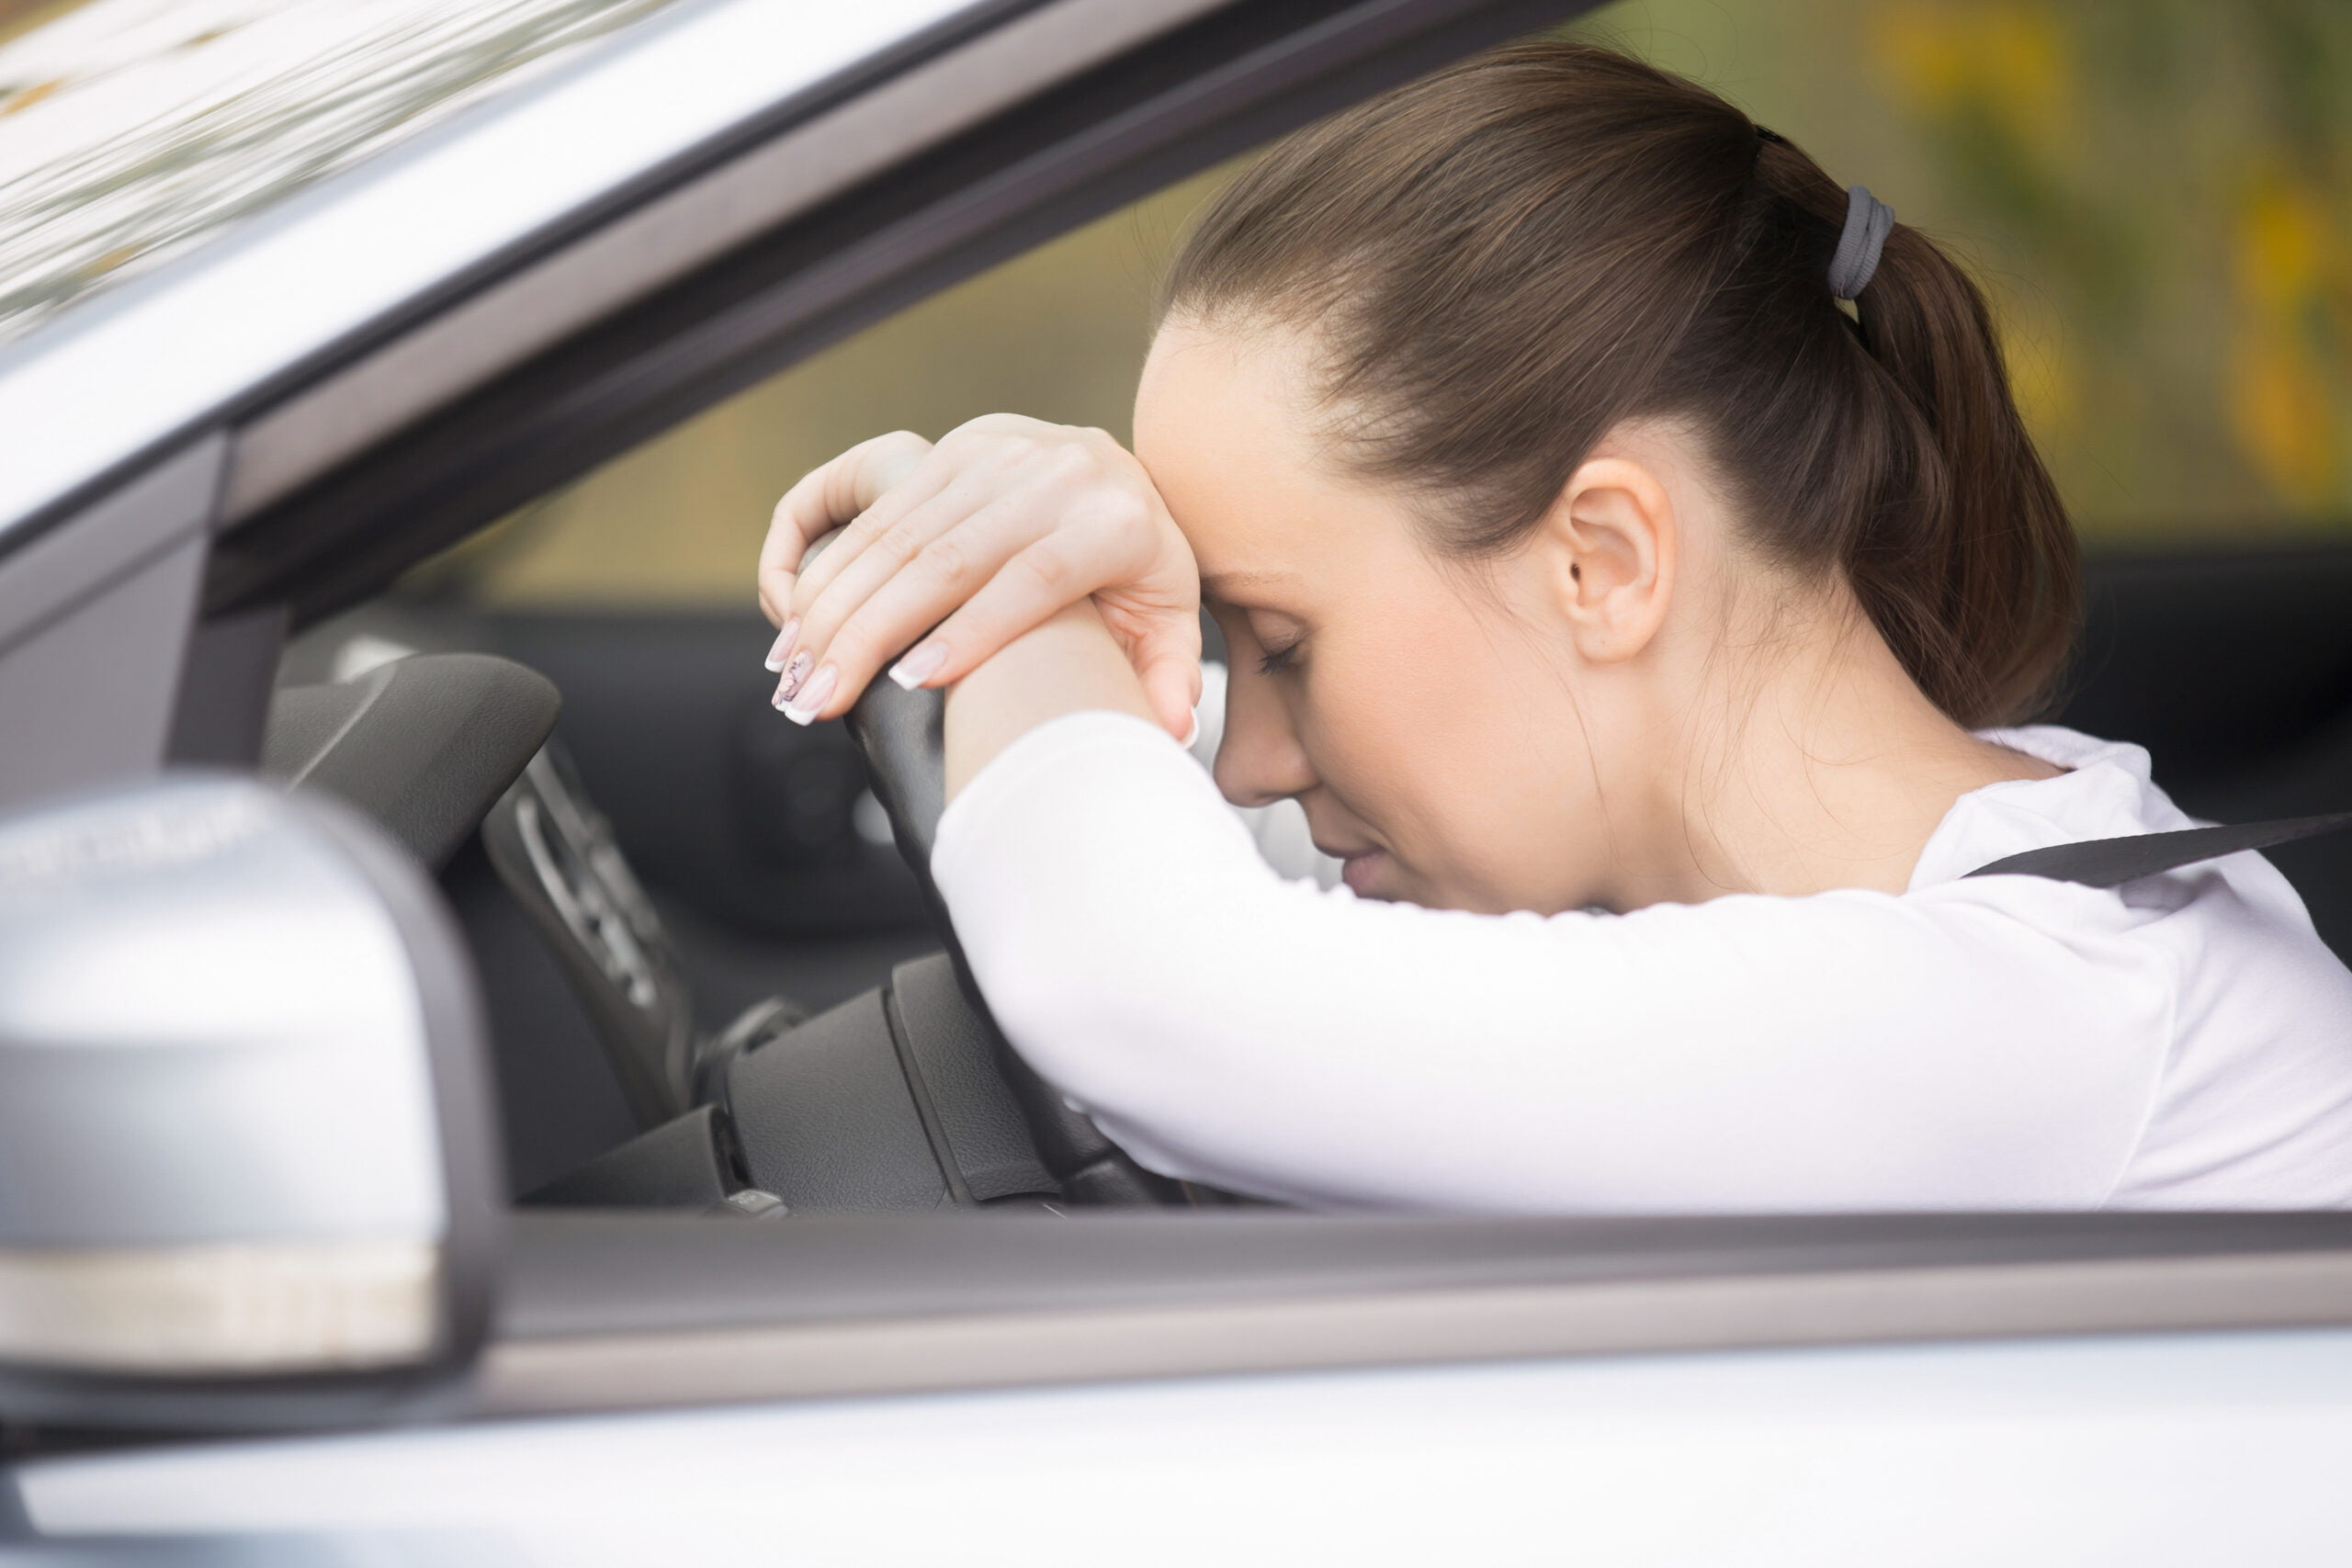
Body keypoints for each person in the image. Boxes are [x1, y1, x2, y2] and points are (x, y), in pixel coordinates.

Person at [752, 42, 2352, 1211]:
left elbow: (1148, 993)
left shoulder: (2042, 1014)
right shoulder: (1967, 886)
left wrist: (1008, 572)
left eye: (1283, 643)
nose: (1244, 761)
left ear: (1602, 562)